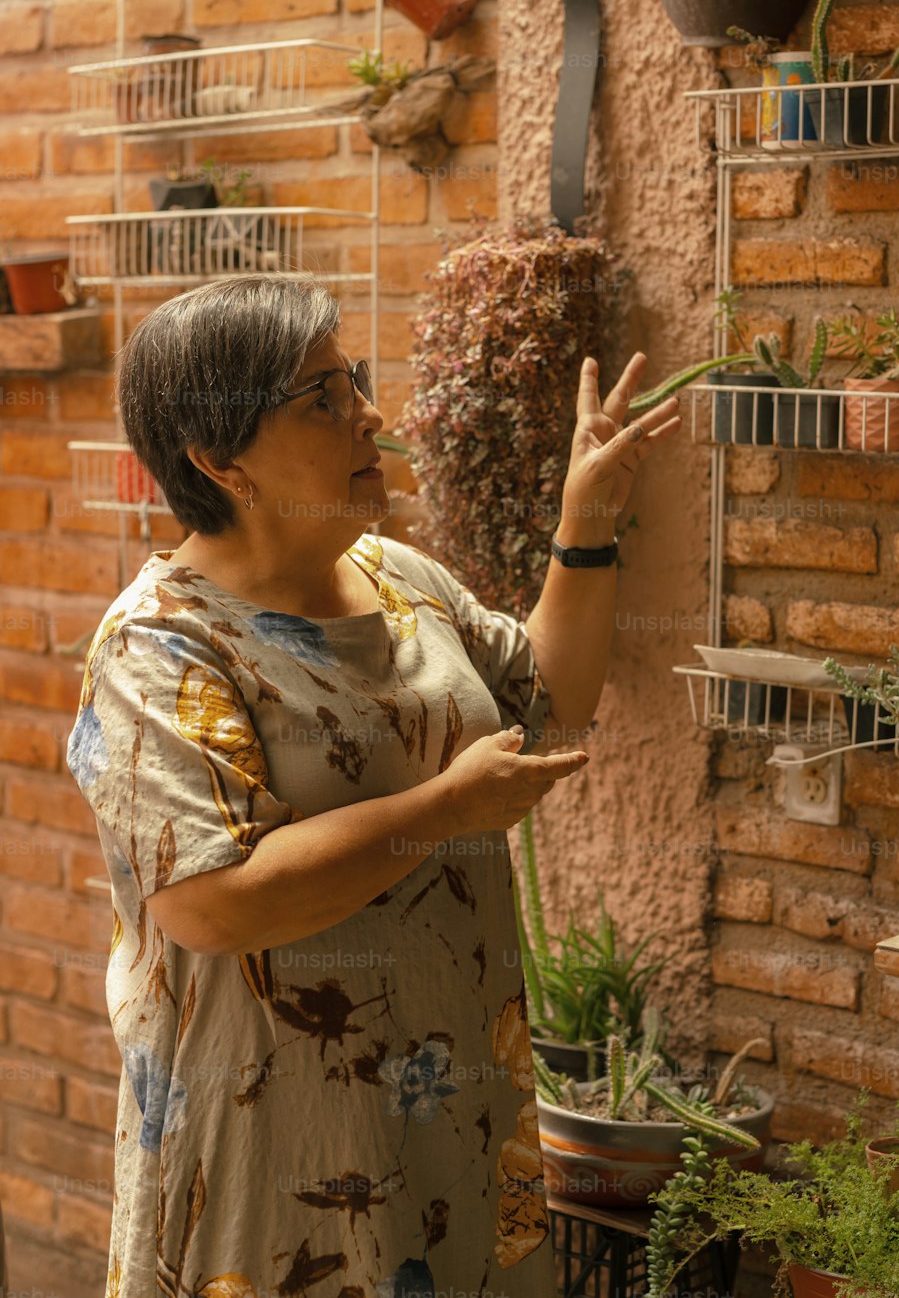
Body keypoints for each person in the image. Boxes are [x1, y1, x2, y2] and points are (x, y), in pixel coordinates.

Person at [66, 275, 680, 1298]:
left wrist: (587, 525)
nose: (369, 413)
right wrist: (444, 808)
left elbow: (547, 697)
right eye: (320, 398)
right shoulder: (160, 644)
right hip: (280, 1136)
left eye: (350, 379)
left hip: (457, 1102)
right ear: (219, 461)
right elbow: (210, 903)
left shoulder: (397, 574)